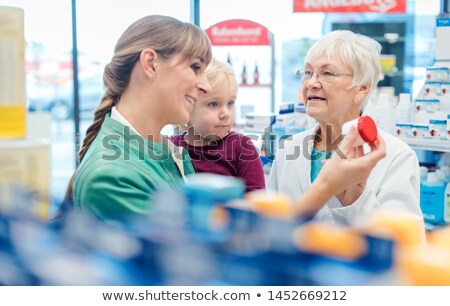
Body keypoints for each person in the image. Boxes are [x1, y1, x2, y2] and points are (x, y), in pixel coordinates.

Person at [58, 16, 386, 223]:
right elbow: (198, 261)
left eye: (328, 74)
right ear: (151, 64)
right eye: (195, 68)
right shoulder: (113, 174)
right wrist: (327, 186)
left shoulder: (161, 150)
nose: (203, 84)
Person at [267, 30, 424, 232]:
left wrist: (354, 203)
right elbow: (269, 226)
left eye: (328, 73)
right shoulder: (288, 148)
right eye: (307, 72)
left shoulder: (397, 156)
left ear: (362, 88)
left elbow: (407, 246)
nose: (311, 83)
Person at [170, 59, 265, 192]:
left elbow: (256, 199)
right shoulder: (170, 148)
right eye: (213, 104)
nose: (225, 114)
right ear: (187, 106)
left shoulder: (242, 148)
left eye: (230, 103)